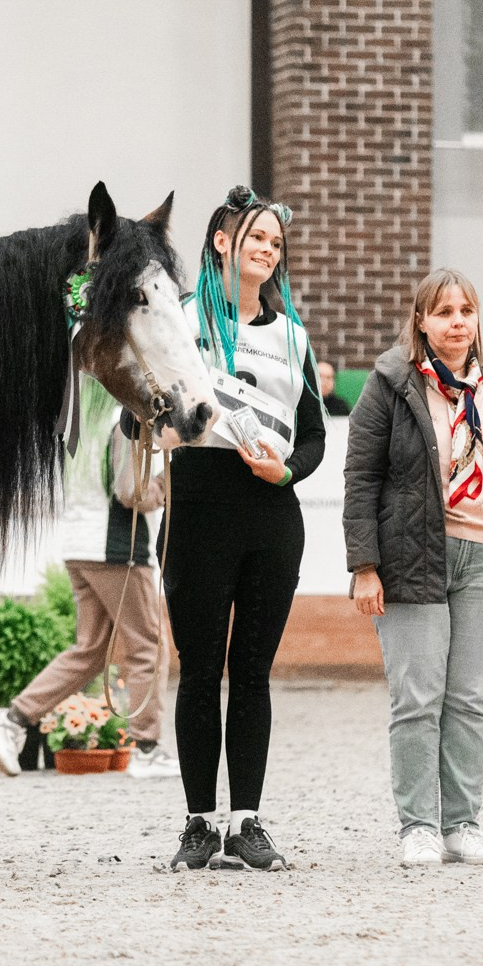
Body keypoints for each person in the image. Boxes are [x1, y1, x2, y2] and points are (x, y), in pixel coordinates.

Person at [344, 269, 483, 868]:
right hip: (412, 557)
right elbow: (361, 480)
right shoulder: (389, 385)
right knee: (417, 698)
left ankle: (462, 822)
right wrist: (364, 566)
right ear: (421, 322)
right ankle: (418, 826)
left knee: (469, 699)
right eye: (444, 312)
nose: (457, 321)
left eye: (466, 310)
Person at [163, 185, 325, 872]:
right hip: (198, 507)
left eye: (276, 242)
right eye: (255, 236)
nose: (267, 248)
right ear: (223, 242)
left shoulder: (294, 335)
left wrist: (284, 474)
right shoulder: (179, 321)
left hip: (270, 516)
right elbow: (137, 410)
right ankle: (199, 823)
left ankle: (247, 822)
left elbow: (314, 439)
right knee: (200, 672)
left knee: (252, 672)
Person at [0, 378, 175, 779]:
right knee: (148, 648)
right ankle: (147, 747)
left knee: (90, 651)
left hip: (78, 543)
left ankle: (12, 718)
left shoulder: (79, 420)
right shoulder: (126, 420)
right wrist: (166, 487)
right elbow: (129, 492)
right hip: (115, 547)